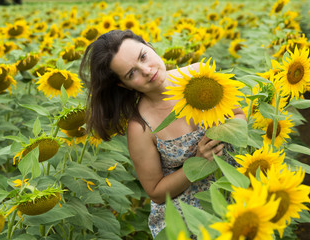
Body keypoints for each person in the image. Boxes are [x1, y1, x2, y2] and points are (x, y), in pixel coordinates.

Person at [79, 29, 246, 238]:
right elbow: (156, 192)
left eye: (143, 56)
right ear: (124, 85)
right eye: (132, 73)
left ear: (150, 46)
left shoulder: (200, 74)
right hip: (191, 221)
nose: (146, 71)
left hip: (238, 191)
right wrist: (197, 161)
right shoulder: (141, 127)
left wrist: (225, 132)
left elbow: (239, 115)